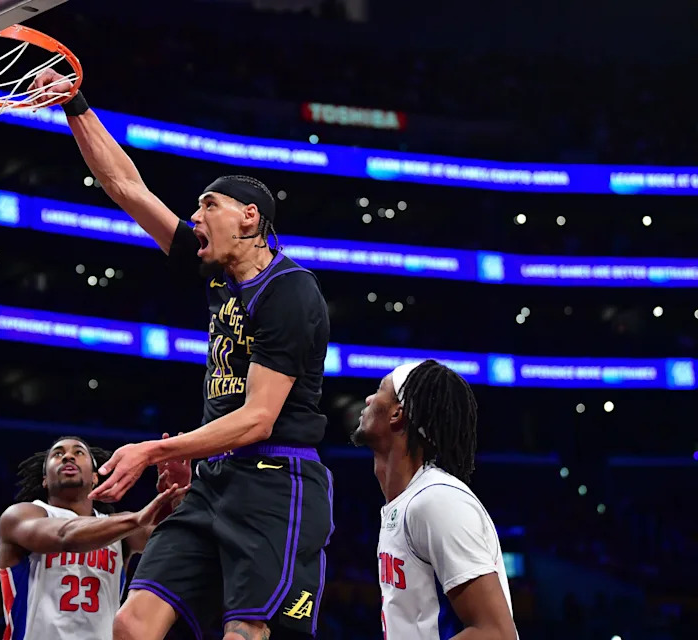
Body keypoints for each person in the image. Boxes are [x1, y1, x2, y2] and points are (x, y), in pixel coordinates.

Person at [29, 71, 334, 640]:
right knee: (131, 625)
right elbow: (126, 186)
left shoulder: (291, 291)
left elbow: (258, 418)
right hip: (212, 480)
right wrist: (75, 105)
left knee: (244, 634)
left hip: (274, 480)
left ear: (249, 218)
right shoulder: (215, 273)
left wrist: (155, 449)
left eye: (208, 206)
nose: (195, 217)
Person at [351, 360, 518, 640]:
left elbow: (496, 633)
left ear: (397, 413)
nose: (368, 399)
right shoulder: (407, 502)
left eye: (379, 390)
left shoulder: (437, 501)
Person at [0, 436, 189, 640]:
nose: (68, 457)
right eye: (58, 454)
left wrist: (176, 499)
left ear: (95, 477)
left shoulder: (119, 527)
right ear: (45, 479)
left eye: (78, 452)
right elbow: (65, 535)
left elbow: (170, 543)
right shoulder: (20, 516)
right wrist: (136, 519)